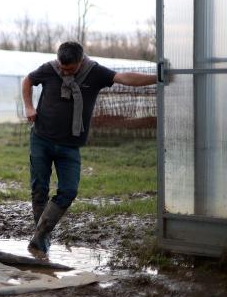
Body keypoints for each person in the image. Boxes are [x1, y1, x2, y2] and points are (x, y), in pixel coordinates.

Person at [21, 41, 156, 254]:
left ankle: (39, 236)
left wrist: (158, 77)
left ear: (80, 61)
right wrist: (28, 106)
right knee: (39, 189)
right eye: (62, 67)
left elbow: (124, 78)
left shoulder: (95, 73)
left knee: (69, 191)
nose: (65, 71)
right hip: (41, 139)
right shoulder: (49, 69)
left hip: (69, 146)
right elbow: (28, 80)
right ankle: (41, 239)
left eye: (70, 68)